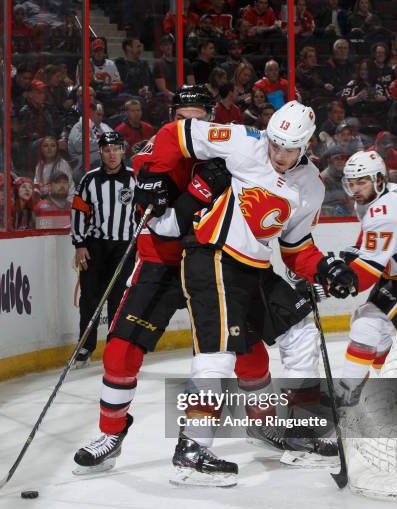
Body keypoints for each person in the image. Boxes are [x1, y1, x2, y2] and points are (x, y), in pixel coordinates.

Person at [122, 100, 358, 484]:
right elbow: (175, 134)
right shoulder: (245, 141)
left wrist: (325, 268)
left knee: (301, 333)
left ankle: (300, 434)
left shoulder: (311, 186)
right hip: (212, 256)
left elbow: (296, 247)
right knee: (217, 353)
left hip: (256, 268)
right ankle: (192, 449)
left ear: (306, 146)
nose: (279, 155)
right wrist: (154, 175)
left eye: (289, 149)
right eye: (276, 145)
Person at [72, 85, 219, 472]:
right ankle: (111, 432)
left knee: (234, 355)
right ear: (173, 119)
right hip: (160, 263)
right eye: (183, 118)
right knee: (120, 350)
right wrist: (201, 192)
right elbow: (165, 226)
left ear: (211, 118)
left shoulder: (230, 152)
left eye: (198, 118)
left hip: (216, 264)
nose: (190, 126)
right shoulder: (150, 157)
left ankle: (260, 422)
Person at [337, 150, 397, 403]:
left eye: (362, 181)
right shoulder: (382, 195)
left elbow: (368, 272)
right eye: (351, 183)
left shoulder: (386, 211)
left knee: (367, 324)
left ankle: (348, 396)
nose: (355, 189)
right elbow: (370, 243)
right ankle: (396, 392)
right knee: (371, 326)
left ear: (379, 179)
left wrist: (332, 285)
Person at [70, 131, 136, 368]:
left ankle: (116, 348)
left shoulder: (135, 178)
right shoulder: (88, 180)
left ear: (122, 150)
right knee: (90, 298)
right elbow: (78, 211)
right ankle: (86, 346)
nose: (111, 154)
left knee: (119, 301)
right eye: (107, 150)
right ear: (101, 152)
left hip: (124, 248)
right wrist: (79, 244)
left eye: (116, 149)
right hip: (95, 246)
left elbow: (143, 213)